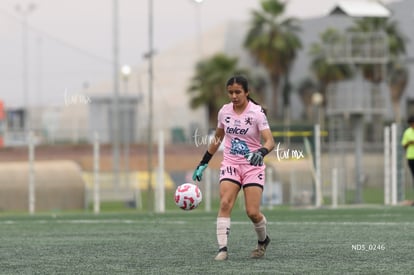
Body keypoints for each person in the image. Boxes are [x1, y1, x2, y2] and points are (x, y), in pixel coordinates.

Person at [192, 75, 275, 261]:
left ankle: (263, 241)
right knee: (225, 203)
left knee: (252, 212)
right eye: (230, 92)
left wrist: (260, 152)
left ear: (247, 92)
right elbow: (218, 139)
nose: (234, 96)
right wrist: (203, 162)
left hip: (252, 166)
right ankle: (222, 249)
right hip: (230, 164)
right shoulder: (224, 112)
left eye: (238, 92)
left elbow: (270, 141)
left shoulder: (257, 113)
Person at [401, 115, 414, 189]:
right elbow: (404, 145)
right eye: (411, 123)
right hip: (411, 157)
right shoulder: (407, 132)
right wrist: (409, 143)